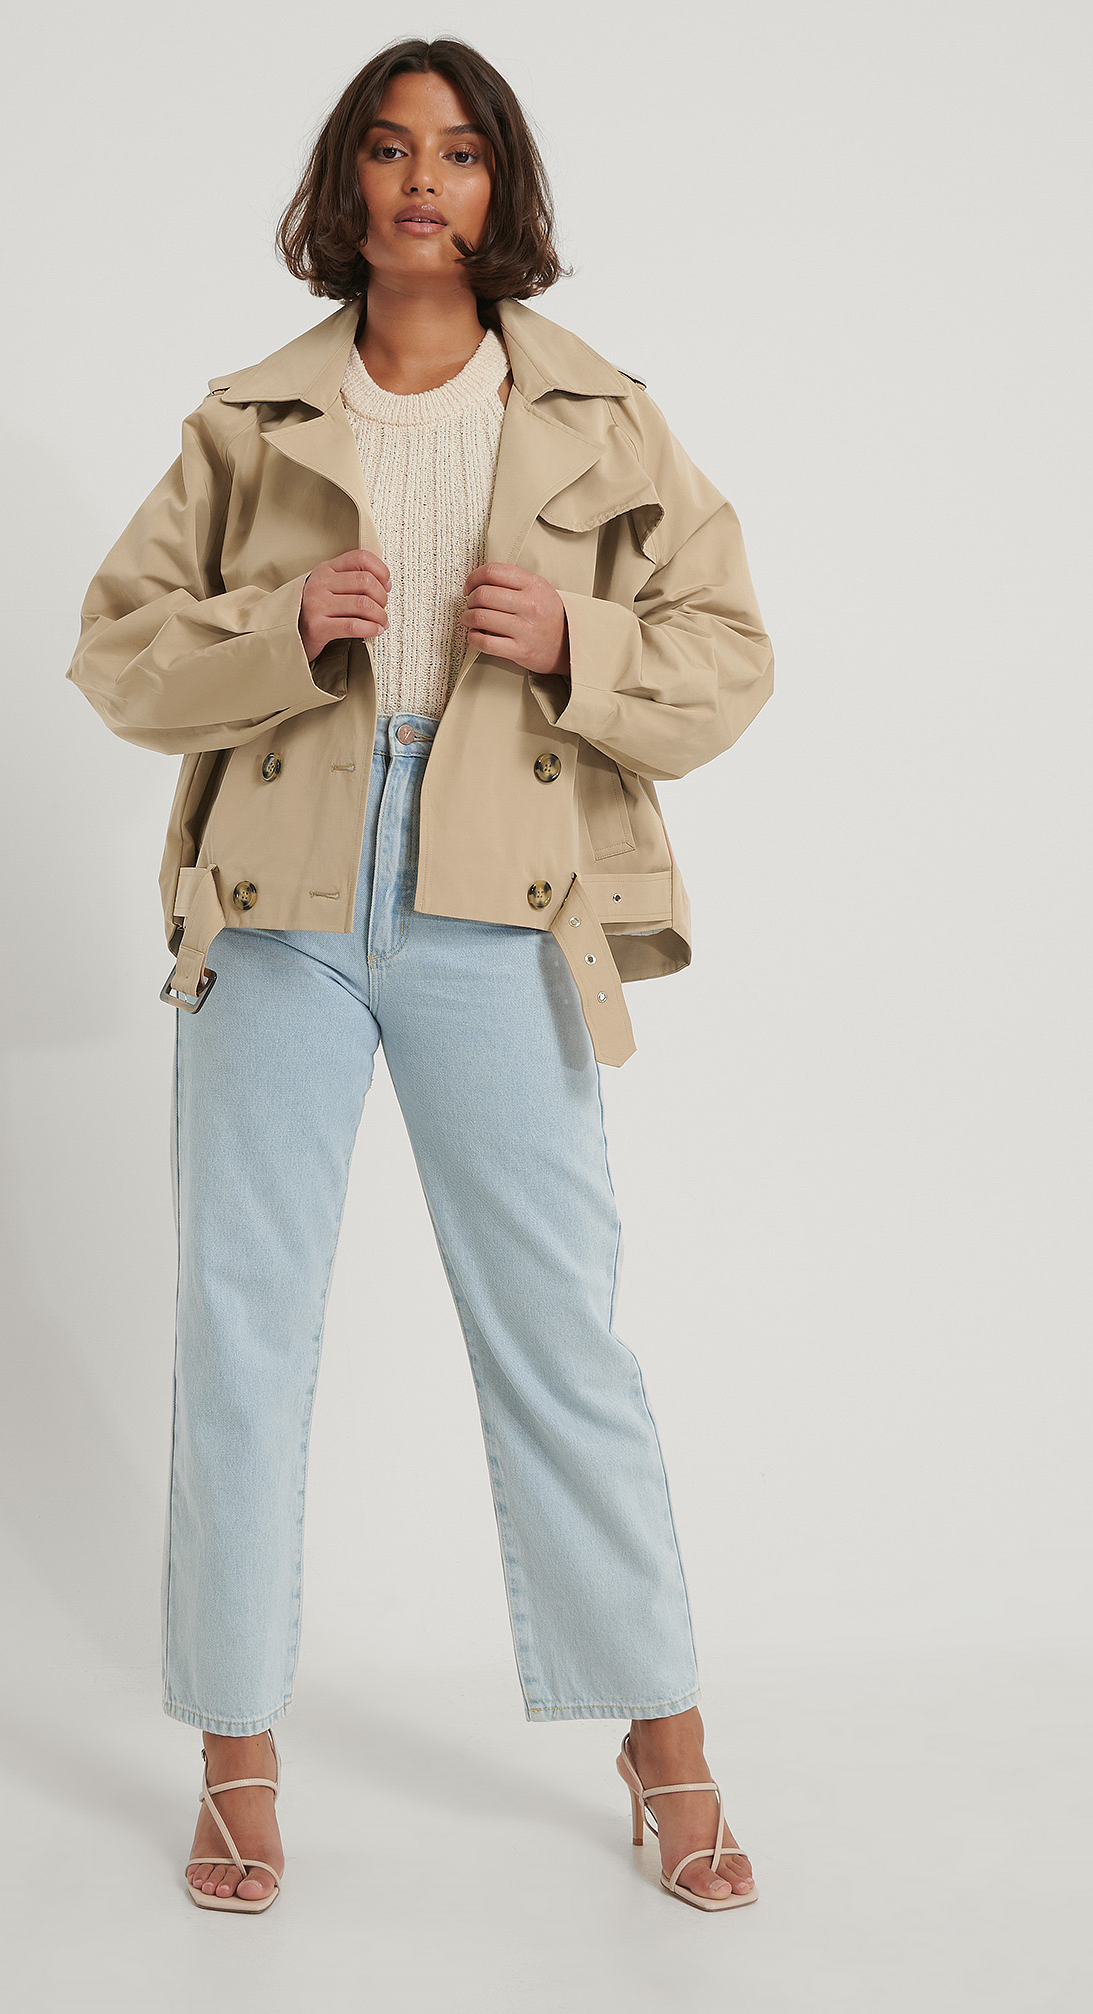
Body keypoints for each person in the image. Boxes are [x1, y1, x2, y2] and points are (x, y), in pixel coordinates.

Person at [67, 36, 773, 1916]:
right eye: (388, 150)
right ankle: (234, 1754)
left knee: (562, 1332)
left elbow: (730, 654)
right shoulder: (250, 420)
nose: (421, 182)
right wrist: (279, 622)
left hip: (499, 895)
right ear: (346, 184)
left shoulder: (604, 415)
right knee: (243, 1327)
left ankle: (665, 1739)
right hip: (279, 900)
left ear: (499, 188)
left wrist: (583, 639)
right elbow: (118, 651)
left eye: (458, 154)